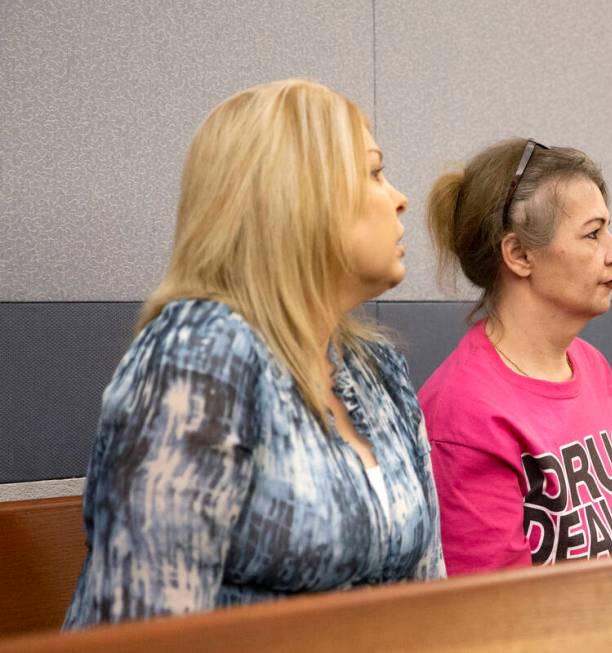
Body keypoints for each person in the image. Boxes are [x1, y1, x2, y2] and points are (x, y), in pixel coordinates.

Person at [64, 79, 445, 628]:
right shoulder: (200, 352)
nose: (400, 197)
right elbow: (147, 634)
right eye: (374, 172)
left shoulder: (377, 370)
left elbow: (430, 600)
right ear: (297, 195)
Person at [421, 139, 612, 576]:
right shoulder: (463, 411)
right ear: (519, 255)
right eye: (593, 233)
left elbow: (611, 550)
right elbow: (491, 615)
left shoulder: (590, 364)